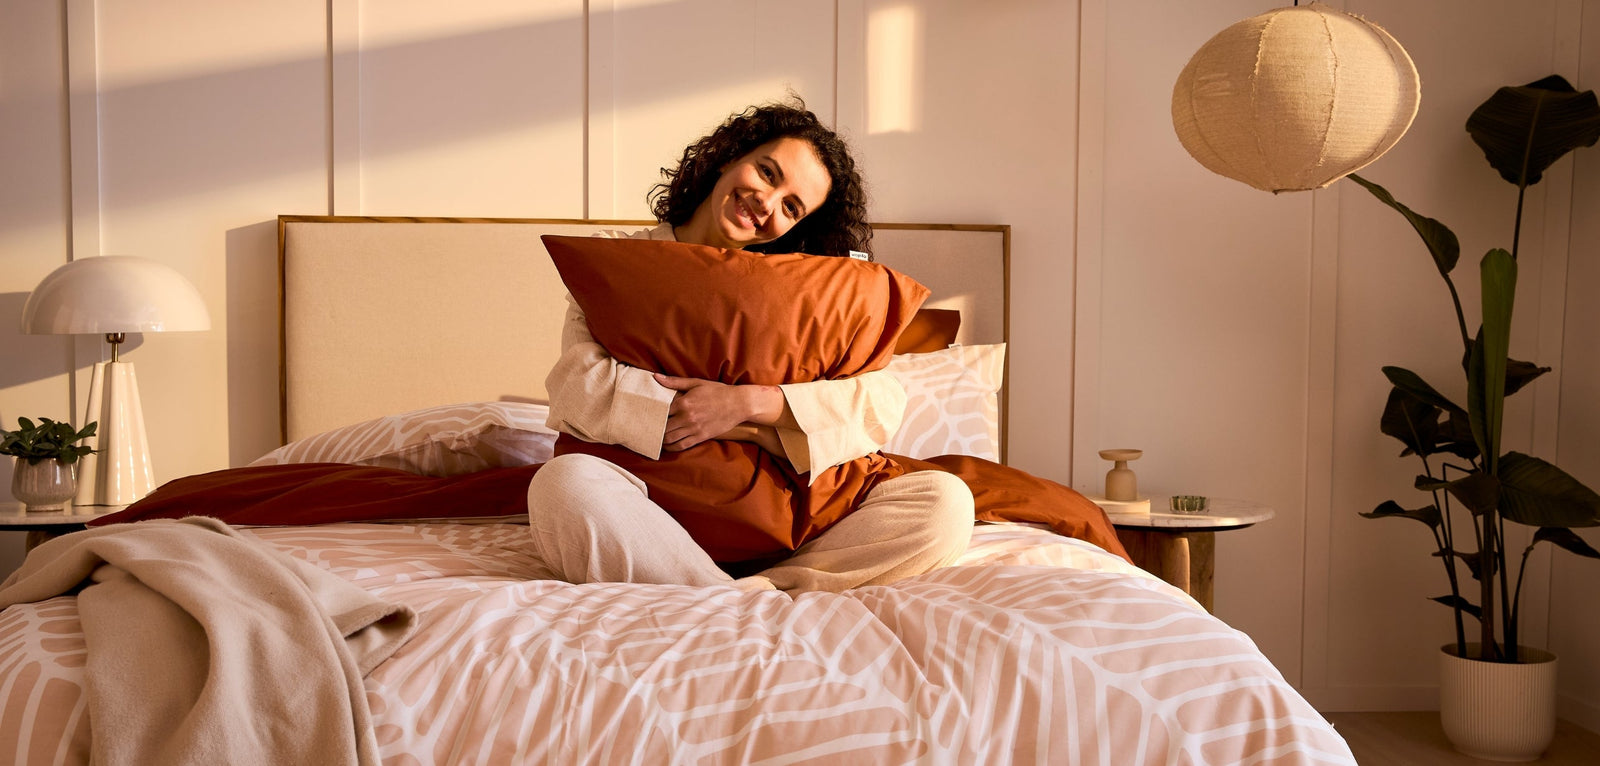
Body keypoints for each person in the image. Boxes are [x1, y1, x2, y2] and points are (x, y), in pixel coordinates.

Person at [527, 100, 974, 593]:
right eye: (767, 172)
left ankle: (738, 594)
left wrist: (753, 404)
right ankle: (746, 598)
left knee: (946, 502)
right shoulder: (616, 255)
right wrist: (702, 414)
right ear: (728, 156)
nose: (767, 202)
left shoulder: (808, 289)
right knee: (562, 485)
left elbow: (881, 401)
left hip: (797, 532)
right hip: (649, 516)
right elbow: (578, 390)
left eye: (791, 207)